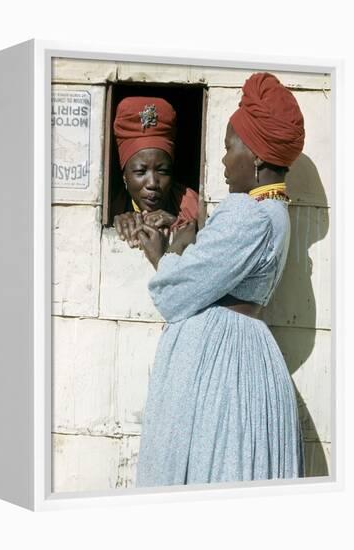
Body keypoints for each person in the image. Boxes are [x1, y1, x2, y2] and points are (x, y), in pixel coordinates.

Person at [134, 72, 306, 486]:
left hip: (220, 364)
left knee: (208, 464)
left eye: (230, 148)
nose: (225, 161)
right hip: (242, 349)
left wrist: (163, 253)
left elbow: (180, 291)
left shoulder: (247, 214)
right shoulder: (277, 213)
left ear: (258, 157)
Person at [111, 96, 199, 248]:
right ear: (124, 175)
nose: (152, 183)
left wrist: (178, 223)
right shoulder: (113, 206)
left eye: (163, 171)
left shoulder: (193, 206)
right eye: (140, 171)